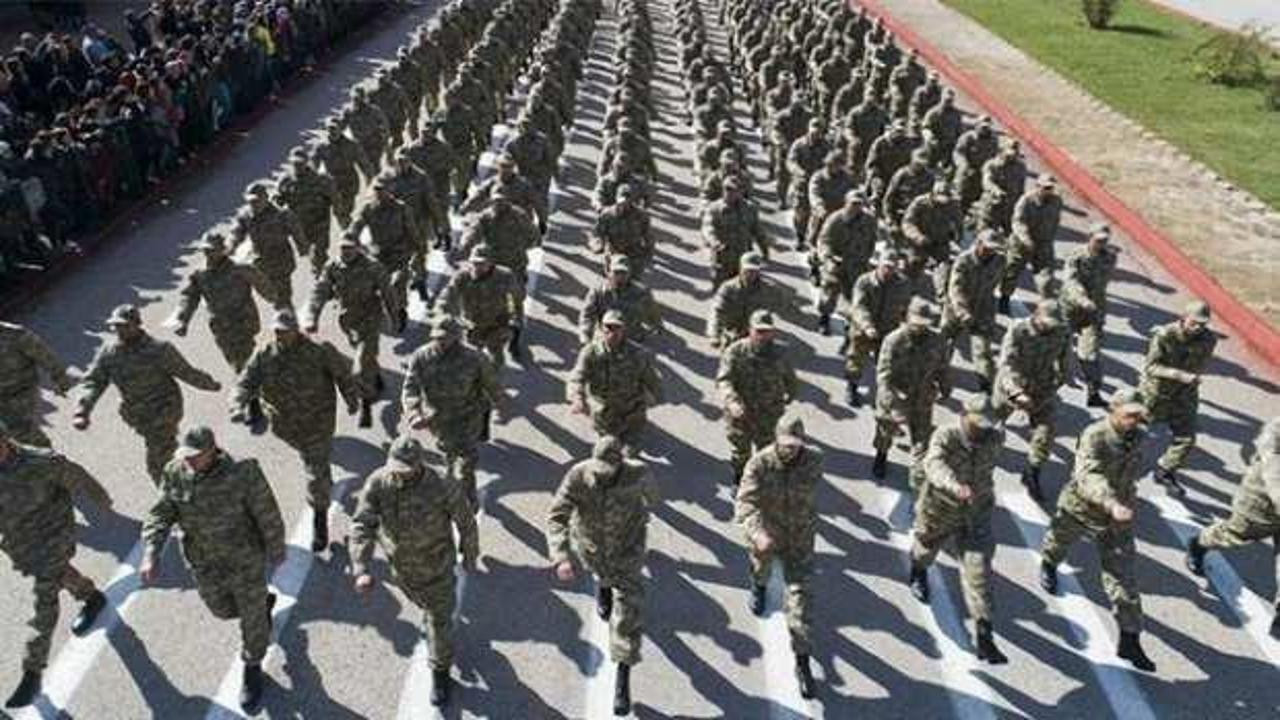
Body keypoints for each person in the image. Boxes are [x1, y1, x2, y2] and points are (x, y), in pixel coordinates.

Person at [140, 426, 285, 711]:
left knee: (251, 618)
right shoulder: (175, 472)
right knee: (222, 610)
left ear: (212, 450)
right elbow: (162, 512)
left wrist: (276, 547)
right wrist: (151, 551)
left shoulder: (242, 471)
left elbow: (266, 510)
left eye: (196, 456)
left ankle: (252, 666)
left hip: (244, 559)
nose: (189, 461)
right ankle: (261, 605)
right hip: (204, 562)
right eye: (186, 456)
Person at [353, 436, 479, 707]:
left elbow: (466, 521)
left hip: (438, 568)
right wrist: (361, 566)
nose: (400, 474)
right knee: (426, 607)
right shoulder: (379, 482)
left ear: (420, 464)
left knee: (438, 620)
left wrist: (470, 555)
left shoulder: (442, 484)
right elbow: (363, 523)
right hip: (402, 572)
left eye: (406, 470)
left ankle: (440, 672)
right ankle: (433, 625)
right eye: (397, 468)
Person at [1039, 389, 1156, 672]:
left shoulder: (1139, 436)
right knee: (1058, 542)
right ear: (1113, 410)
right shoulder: (1095, 435)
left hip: (1118, 518)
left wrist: (1122, 502)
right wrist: (1110, 502)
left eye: (1138, 415)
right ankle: (1049, 564)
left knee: (1124, 578)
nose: (1134, 420)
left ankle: (1130, 638)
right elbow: (1087, 475)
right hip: (1082, 508)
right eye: (1129, 415)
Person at [0, 420, 111, 708]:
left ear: (5, 441)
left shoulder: (40, 462)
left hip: (53, 534)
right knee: (60, 574)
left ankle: (32, 673)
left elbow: (78, 477)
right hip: (22, 542)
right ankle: (91, 596)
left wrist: (102, 500)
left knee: (44, 600)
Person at [547, 435, 657, 717]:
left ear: (620, 464)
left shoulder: (638, 473)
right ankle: (604, 587)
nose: (602, 477)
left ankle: (623, 676)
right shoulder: (578, 475)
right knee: (603, 579)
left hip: (627, 552)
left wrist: (641, 514)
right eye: (599, 471)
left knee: (628, 616)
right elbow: (557, 515)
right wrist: (561, 556)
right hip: (593, 550)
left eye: (608, 472)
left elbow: (654, 497)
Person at [233, 310, 358, 553]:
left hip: (318, 424)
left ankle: (320, 523)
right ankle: (322, 480)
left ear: (296, 330)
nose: (280, 335)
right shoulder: (265, 354)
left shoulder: (319, 351)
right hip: (286, 428)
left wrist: (351, 399)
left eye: (285, 331)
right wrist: (237, 403)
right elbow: (246, 382)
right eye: (277, 331)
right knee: (314, 463)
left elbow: (343, 374)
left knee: (315, 471)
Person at [908, 396, 1008, 664]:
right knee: (925, 549)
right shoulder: (946, 435)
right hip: (941, 507)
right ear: (964, 415)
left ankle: (984, 635)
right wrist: (954, 486)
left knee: (979, 570)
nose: (982, 430)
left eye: (986, 425)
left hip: (976, 512)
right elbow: (934, 464)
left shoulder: (995, 437)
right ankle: (918, 570)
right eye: (977, 424)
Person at [74, 304, 221, 483]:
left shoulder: (159, 350)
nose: (119, 330)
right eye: (116, 326)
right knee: (166, 452)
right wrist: (82, 410)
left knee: (158, 462)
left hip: (164, 412)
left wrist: (210, 384)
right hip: (138, 415)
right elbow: (94, 382)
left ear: (137, 324)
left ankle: (182, 488)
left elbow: (186, 372)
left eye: (124, 326)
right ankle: (202, 470)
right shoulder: (109, 354)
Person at [734, 413, 823, 699]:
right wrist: (757, 533)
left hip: (799, 541)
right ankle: (758, 585)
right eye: (785, 444)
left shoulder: (814, 460)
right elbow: (745, 504)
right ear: (775, 439)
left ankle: (802, 663)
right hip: (768, 537)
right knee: (761, 569)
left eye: (795, 445)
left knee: (800, 606)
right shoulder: (759, 464)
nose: (790, 450)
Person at [1185, 416, 1280, 637]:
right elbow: (1273, 467)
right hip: (1261, 503)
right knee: (1234, 534)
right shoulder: (1276, 431)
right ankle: (1199, 543)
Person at [401, 315, 506, 513]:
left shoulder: (474, 358)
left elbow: (491, 384)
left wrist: (500, 405)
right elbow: (411, 387)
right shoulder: (422, 357)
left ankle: (468, 502)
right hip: (438, 421)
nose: (441, 342)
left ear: (457, 337)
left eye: (446, 338)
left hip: (467, 418)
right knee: (448, 459)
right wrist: (414, 412)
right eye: (438, 338)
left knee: (466, 465)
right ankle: (452, 489)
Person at [992, 299, 1070, 502]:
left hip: (1042, 388)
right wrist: (1016, 393)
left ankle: (1033, 472)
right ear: (1037, 315)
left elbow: (1064, 361)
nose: (1051, 327)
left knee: (1046, 431)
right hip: (1012, 386)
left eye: (1054, 324)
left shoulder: (1062, 331)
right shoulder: (1018, 330)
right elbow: (1006, 365)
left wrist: (1059, 381)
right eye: (1047, 323)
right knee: (992, 426)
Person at [1140, 300, 1217, 498]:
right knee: (1134, 430)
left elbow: (1200, 363)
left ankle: (1165, 471)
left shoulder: (1209, 340)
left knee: (1187, 437)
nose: (1198, 327)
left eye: (1203, 324)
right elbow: (1151, 367)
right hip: (1158, 393)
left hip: (1185, 395)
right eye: (1194, 323)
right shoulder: (1165, 335)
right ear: (1183, 318)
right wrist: (1178, 375)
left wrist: (1190, 381)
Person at [872, 298, 950, 488]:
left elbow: (942, 367)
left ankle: (917, 479)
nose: (919, 328)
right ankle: (881, 455)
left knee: (922, 440)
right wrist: (892, 405)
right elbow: (884, 376)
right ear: (907, 318)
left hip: (922, 397)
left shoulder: (938, 341)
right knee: (885, 432)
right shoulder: (894, 340)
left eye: (924, 324)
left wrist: (946, 386)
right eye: (916, 323)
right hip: (895, 396)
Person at [567, 310, 664, 456]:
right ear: (602, 328)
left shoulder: (638, 353)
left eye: (617, 328)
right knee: (607, 453)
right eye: (609, 327)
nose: (613, 332)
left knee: (630, 454)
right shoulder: (591, 353)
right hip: (605, 413)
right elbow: (577, 377)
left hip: (632, 412)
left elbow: (651, 378)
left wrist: (655, 397)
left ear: (624, 330)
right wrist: (577, 398)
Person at [717, 310, 798, 483]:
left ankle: (760, 480)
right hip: (741, 412)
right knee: (741, 451)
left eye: (767, 331)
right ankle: (740, 479)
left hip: (769, 412)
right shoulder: (735, 351)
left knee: (767, 450)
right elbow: (724, 380)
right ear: (750, 330)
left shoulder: (781, 353)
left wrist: (792, 392)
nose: (763, 335)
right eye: (759, 331)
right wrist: (732, 402)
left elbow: (790, 376)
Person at [172, 230, 269, 373]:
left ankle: (252, 381)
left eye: (212, 250)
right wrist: (183, 320)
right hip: (221, 327)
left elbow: (260, 282)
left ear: (222, 250)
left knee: (247, 360)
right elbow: (190, 297)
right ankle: (248, 378)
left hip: (243, 321)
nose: (208, 254)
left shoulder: (239, 268)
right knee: (235, 362)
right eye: (205, 250)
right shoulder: (200, 274)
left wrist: (273, 298)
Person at [1060, 224, 1118, 407]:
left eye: (1105, 240)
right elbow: (1070, 282)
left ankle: (1093, 392)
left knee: (1090, 354)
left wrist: (1093, 305)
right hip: (1071, 308)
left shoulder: (1110, 257)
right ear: (1090, 237)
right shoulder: (1076, 256)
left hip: (1094, 311)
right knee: (1059, 346)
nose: (1102, 243)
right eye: (1098, 240)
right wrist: (1082, 299)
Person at [0, 320, 74, 447]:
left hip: (21, 391)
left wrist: (60, 379)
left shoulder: (14, 334)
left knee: (22, 431)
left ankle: (47, 455)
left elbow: (44, 355)